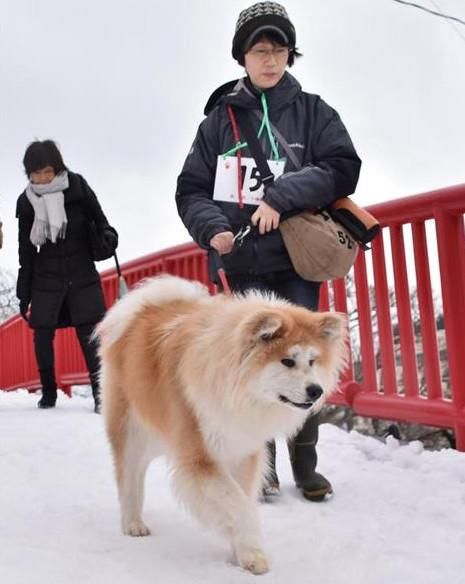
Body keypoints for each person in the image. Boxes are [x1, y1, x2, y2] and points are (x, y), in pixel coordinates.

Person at [175, 1, 361, 501]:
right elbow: (190, 190)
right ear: (243, 57)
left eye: (279, 50)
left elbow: (343, 166)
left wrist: (282, 196)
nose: (270, 60)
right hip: (239, 261)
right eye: (260, 50)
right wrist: (212, 229)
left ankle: (306, 464)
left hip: (296, 259)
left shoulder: (314, 112)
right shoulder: (217, 123)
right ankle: (265, 467)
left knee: (303, 362)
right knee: (255, 365)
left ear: (290, 55)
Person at [16, 140, 117, 413]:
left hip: (80, 272)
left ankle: (100, 394)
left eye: (47, 171)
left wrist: (108, 237)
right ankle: (48, 392)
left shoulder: (78, 187)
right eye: (36, 174)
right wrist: (23, 294)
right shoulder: (26, 202)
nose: (42, 178)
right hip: (45, 278)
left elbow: (101, 220)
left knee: (90, 333)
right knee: (42, 334)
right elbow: (26, 251)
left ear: (57, 166)